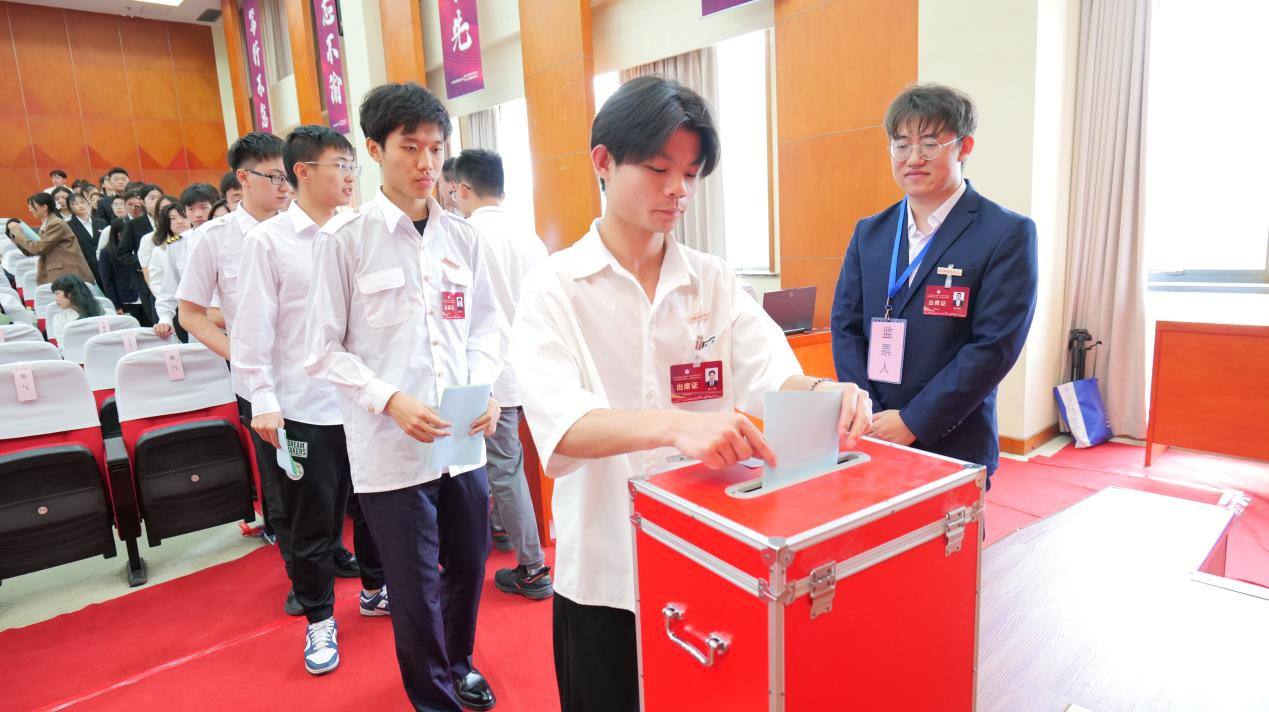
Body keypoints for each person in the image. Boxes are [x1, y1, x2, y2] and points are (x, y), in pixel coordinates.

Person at [510, 75, 871, 712]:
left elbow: (773, 376)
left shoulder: (711, 279)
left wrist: (825, 389)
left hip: (713, 558)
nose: (678, 190)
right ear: (603, 161)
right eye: (659, 169)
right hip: (604, 571)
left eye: (691, 173)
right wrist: (677, 424)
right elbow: (563, 428)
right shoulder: (554, 287)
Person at [304, 82, 500, 712]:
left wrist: (486, 389)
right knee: (414, 589)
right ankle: (433, 697)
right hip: (391, 450)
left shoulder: (463, 238)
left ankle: (459, 664)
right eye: (410, 147)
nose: (426, 163)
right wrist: (389, 398)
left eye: (436, 149)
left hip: (462, 441)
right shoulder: (345, 240)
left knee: (469, 565)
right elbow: (321, 349)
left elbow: (485, 328)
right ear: (374, 149)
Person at [234, 125, 387, 676]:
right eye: (339, 165)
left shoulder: (362, 230)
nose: (349, 176)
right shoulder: (268, 242)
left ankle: (374, 589)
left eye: (352, 166)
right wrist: (263, 398)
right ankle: (319, 618)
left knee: (374, 507)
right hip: (305, 407)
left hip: (365, 401)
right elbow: (252, 329)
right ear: (301, 171)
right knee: (313, 522)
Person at [830, 83, 1038, 486]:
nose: (913, 158)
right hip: (873, 431)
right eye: (901, 145)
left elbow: (994, 346)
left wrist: (914, 420)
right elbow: (845, 326)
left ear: (964, 147)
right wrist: (867, 408)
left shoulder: (1006, 233)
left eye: (929, 144)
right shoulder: (870, 233)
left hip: (953, 439)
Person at [452, 148, 552, 600]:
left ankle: (533, 568)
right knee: (510, 462)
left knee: (503, 467)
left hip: (492, 372)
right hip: (531, 368)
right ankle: (502, 529)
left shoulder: (463, 235)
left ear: (462, 189)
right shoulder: (530, 238)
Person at [6, 193, 96, 285]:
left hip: (69, 275)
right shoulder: (47, 225)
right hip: (62, 276)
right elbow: (31, 251)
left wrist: (18, 233)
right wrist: (14, 234)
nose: (30, 209)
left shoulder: (55, 223)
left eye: (32, 206)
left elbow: (38, 248)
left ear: (44, 207)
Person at [98, 204, 146, 323]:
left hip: (145, 296)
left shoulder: (141, 246)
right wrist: (116, 305)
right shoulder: (107, 252)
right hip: (126, 299)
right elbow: (107, 281)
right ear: (118, 235)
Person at [47, 274, 105, 342]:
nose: (56, 299)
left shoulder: (105, 313)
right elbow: (64, 346)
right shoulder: (59, 319)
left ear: (70, 293)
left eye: (57, 293)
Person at [65, 192, 105, 287]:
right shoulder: (68, 227)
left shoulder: (102, 222)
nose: (80, 205)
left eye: (82, 202)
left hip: (106, 265)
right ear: (70, 208)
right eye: (76, 204)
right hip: (86, 269)